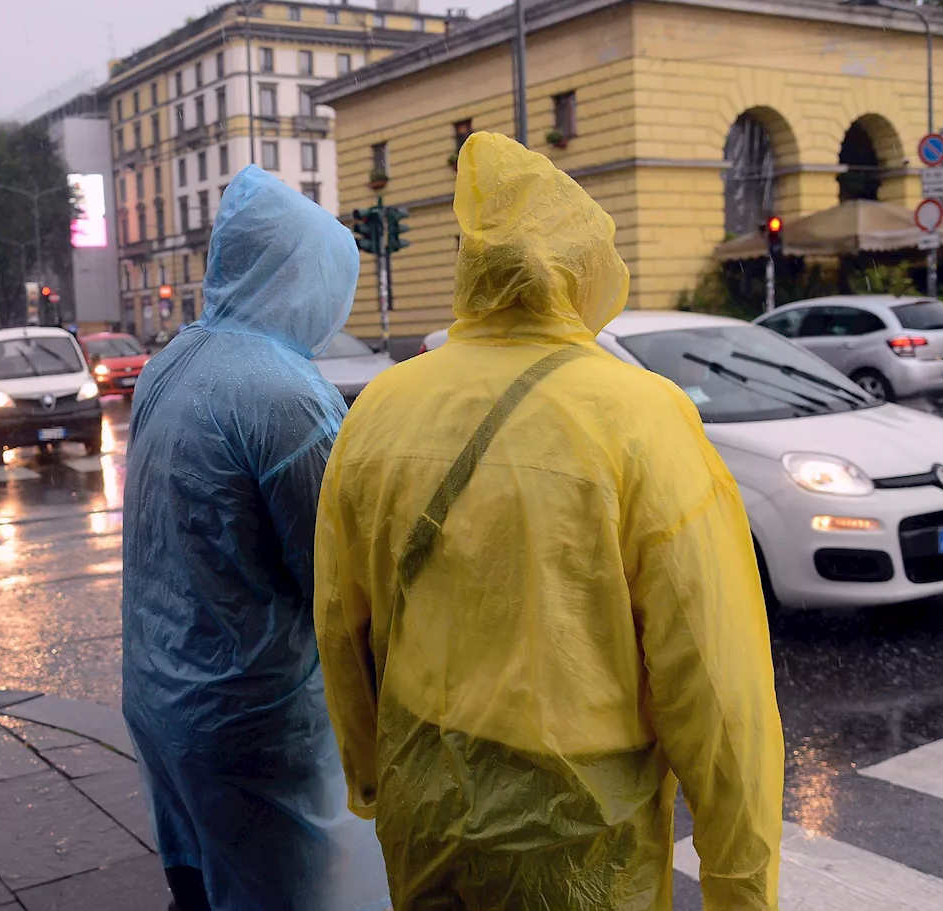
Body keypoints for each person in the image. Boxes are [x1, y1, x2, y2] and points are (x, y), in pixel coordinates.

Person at [315, 132, 784, 911]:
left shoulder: (379, 409)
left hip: (423, 803)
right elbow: (713, 672)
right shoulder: (641, 416)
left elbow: (339, 621)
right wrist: (742, 884)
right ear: (585, 271)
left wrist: (373, 775)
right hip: (578, 835)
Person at [122, 166, 391, 911]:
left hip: (162, 698)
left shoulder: (170, 362)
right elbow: (338, 580)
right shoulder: (285, 396)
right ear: (301, 278)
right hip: (256, 724)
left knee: (202, 888)